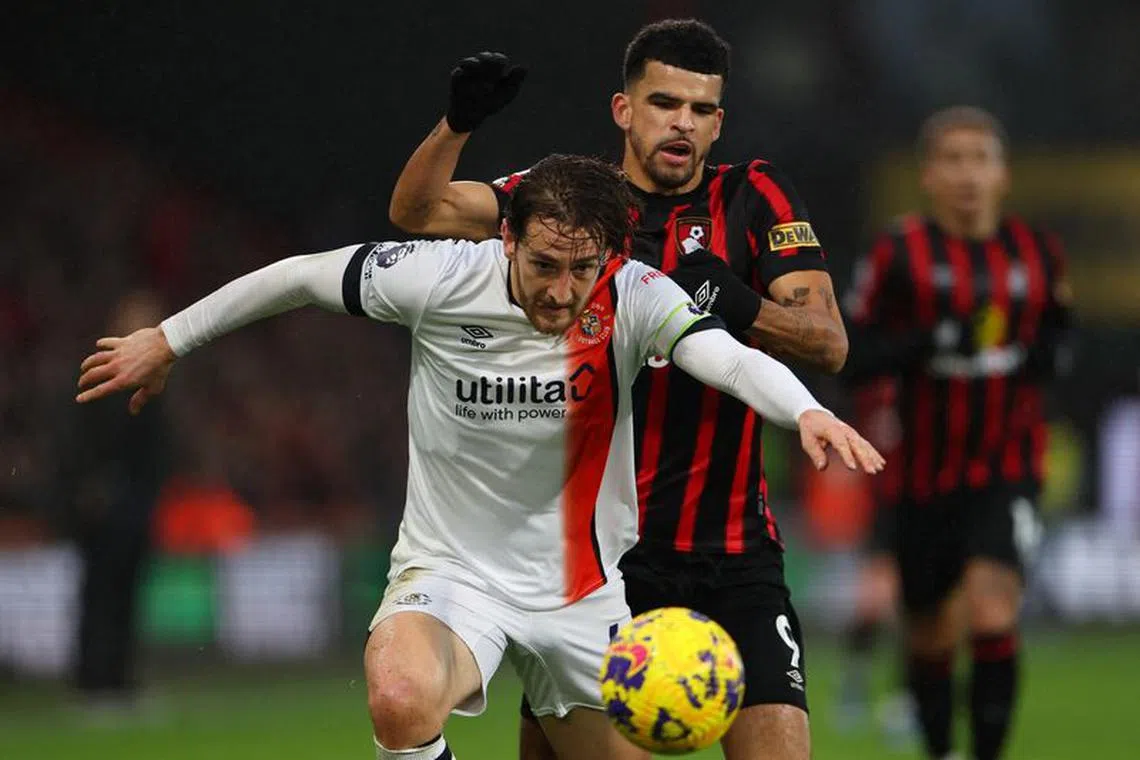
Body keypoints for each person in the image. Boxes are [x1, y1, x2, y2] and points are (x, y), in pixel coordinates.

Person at [77, 155, 883, 760]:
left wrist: (805, 410)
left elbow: (726, 357)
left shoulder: (635, 293)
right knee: (400, 696)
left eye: (582, 269)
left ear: (610, 255)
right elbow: (298, 277)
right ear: (506, 239)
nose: (562, 291)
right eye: (543, 265)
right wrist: (168, 339)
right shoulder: (438, 277)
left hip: (583, 594)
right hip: (453, 575)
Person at [388, 20, 847, 760]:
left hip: (735, 555)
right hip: (601, 565)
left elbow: (828, 343)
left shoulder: (754, 197)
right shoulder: (570, 205)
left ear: (719, 123)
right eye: (664, 103)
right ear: (623, 109)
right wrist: (456, 126)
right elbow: (418, 212)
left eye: (701, 109)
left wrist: (735, 301)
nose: (682, 122)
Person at [842, 106, 1073, 760]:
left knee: (993, 610)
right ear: (928, 175)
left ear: (1003, 174)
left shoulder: (1037, 253)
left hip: (1006, 465)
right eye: (953, 160)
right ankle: (942, 750)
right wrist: (931, 341)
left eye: (981, 159)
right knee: (930, 636)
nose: (968, 174)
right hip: (920, 474)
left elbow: (1061, 339)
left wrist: (1043, 356)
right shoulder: (897, 254)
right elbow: (853, 354)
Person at [62, 289, 171, 716]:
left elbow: (155, 451)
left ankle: (119, 680)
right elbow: (79, 439)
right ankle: (94, 682)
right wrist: (87, 489)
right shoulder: (99, 371)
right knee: (100, 595)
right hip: (102, 509)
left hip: (135, 506)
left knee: (125, 597)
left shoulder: (154, 378)